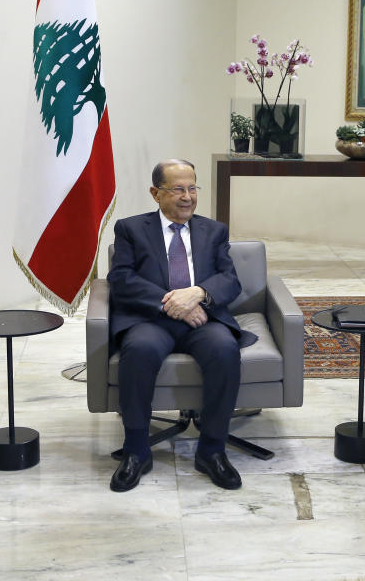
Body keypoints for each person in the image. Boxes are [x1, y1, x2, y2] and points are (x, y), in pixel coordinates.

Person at [106, 159, 257, 492]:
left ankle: (212, 451)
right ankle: (136, 451)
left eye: (192, 188)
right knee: (139, 350)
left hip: (203, 317)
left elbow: (230, 281)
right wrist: (171, 304)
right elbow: (121, 280)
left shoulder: (213, 230)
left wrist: (198, 293)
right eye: (177, 189)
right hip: (151, 320)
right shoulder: (130, 229)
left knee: (224, 349)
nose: (187, 197)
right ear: (155, 193)